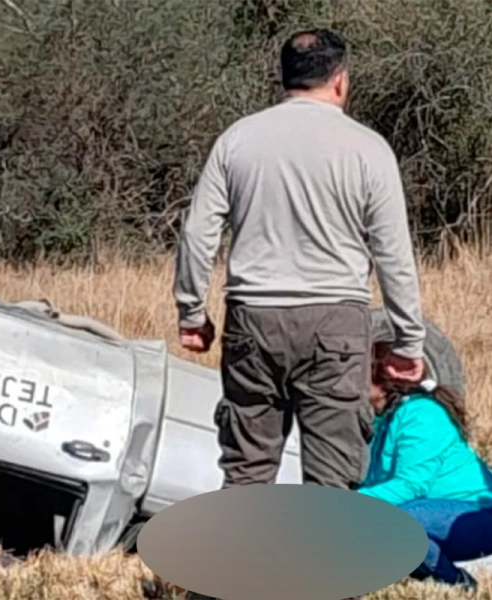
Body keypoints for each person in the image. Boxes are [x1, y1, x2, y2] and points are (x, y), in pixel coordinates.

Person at [173, 28, 428, 491]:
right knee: (331, 482)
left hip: (253, 321)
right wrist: (409, 341)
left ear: (284, 78)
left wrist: (192, 312)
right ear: (340, 81)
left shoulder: (237, 140)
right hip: (336, 325)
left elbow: (197, 233)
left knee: (247, 472)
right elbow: (394, 256)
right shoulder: (368, 149)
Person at [358, 335, 492, 592]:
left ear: (382, 383)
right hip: (428, 513)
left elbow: (411, 485)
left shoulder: (422, 415)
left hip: (475, 515)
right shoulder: (382, 420)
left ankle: (460, 585)